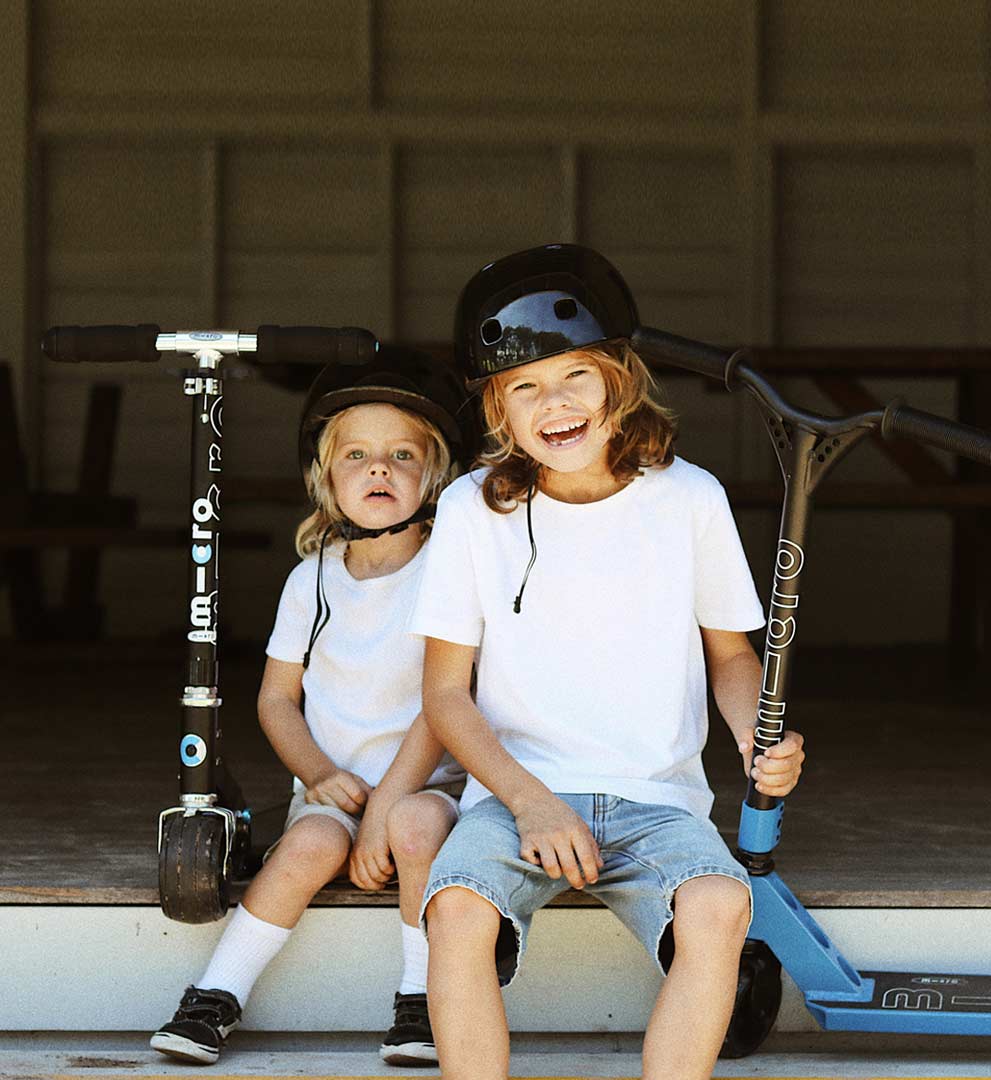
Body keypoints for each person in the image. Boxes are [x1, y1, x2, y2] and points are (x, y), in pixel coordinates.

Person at [409, 244, 807, 1080]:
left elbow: (732, 654)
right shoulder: (470, 511)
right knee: (455, 909)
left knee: (718, 902)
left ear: (618, 381)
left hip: (656, 799)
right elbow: (445, 695)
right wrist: (531, 803)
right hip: (516, 796)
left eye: (574, 377)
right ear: (499, 413)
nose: (553, 403)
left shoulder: (690, 498)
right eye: (525, 388)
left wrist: (753, 736)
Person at [151, 347, 472, 1068]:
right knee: (308, 846)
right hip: (335, 788)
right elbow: (276, 699)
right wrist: (318, 775)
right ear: (326, 481)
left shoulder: (451, 574)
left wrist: (387, 812)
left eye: (401, 454)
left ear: (436, 474)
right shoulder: (311, 580)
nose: (379, 468)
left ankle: (420, 1002)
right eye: (357, 455)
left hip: (428, 788)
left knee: (419, 829)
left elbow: (440, 707)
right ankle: (215, 995)